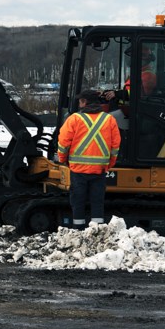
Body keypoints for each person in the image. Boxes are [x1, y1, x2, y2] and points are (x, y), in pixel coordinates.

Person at [56, 89, 122, 229]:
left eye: (80, 101)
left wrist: (62, 159)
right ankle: (96, 230)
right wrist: (109, 164)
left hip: (78, 171)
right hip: (99, 171)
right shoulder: (109, 119)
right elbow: (115, 145)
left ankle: (78, 230)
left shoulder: (74, 119)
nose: (79, 104)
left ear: (84, 102)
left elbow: (63, 143)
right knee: (97, 201)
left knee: (78, 201)